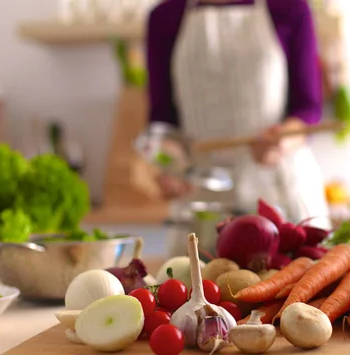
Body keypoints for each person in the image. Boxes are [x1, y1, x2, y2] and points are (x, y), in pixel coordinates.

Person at [138, 0, 332, 232]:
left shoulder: (290, 7)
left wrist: (282, 140)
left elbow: (308, 108)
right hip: (202, 196)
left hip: (279, 190)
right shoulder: (164, 17)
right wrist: (170, 165)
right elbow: (162, 119)